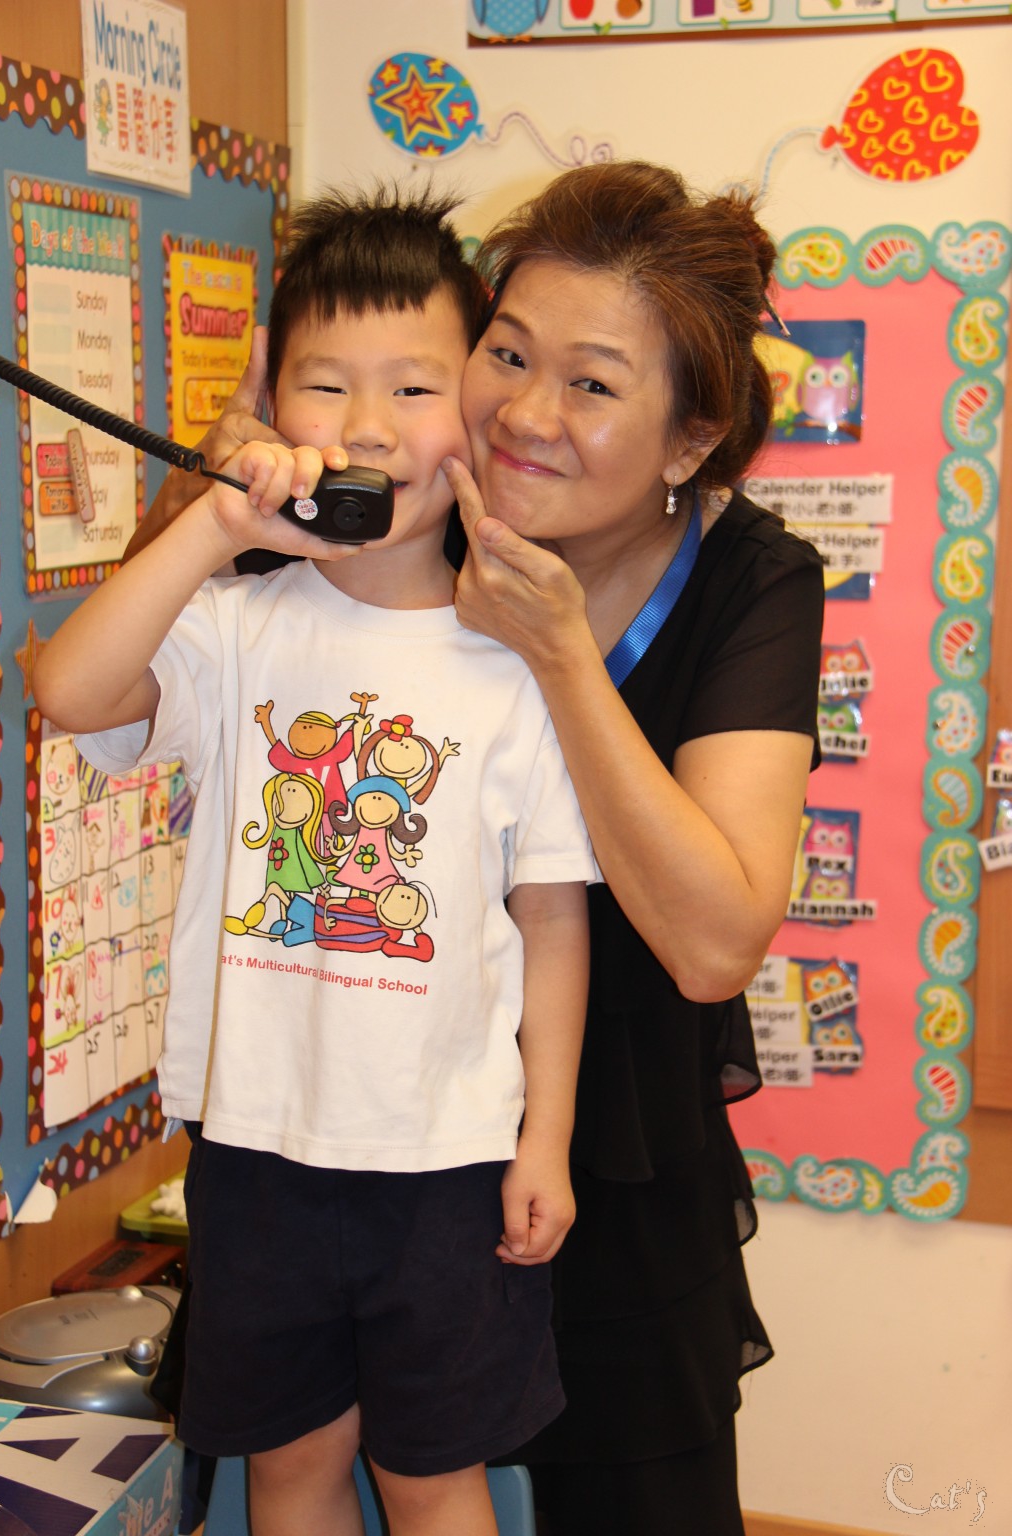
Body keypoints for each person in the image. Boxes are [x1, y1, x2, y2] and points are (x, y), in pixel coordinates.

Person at [32, 186, 596, 1536]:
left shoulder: (519, 654)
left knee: (432, 1477)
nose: (368, 427)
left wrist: (548, 1139)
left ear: (476, 411)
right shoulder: (236, 623)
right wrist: (218, 525)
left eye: (414, 385)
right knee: (288, 1469)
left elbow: (553, 917)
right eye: (325, 385)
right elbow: (69, 690)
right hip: (257, 1145)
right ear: (270, 403)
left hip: (450, 1159)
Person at [434, 161, 825, 1536]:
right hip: (376, 1148)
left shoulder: (753, 580)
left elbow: (715, 941)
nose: (524, 415)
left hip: (616, 1175)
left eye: (592, 385)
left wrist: (558, 654)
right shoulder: (404, 509)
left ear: (687, 442)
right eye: (507, 354)